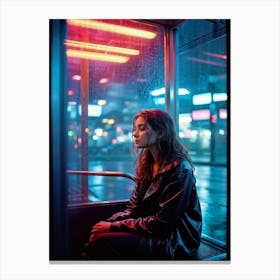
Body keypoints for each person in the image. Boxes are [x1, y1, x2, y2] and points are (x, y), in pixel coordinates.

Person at [82, 109, 202, 260]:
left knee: (102, 240)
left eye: (142, 128)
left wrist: (113, 226)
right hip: (153, 229)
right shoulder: (148, 164)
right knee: (97, 231)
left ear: (161, 133)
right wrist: (109, 222)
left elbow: (163, 223)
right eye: (135, 128)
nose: (134, 134)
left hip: (175, 240)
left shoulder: (180, 170)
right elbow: (133, 208)